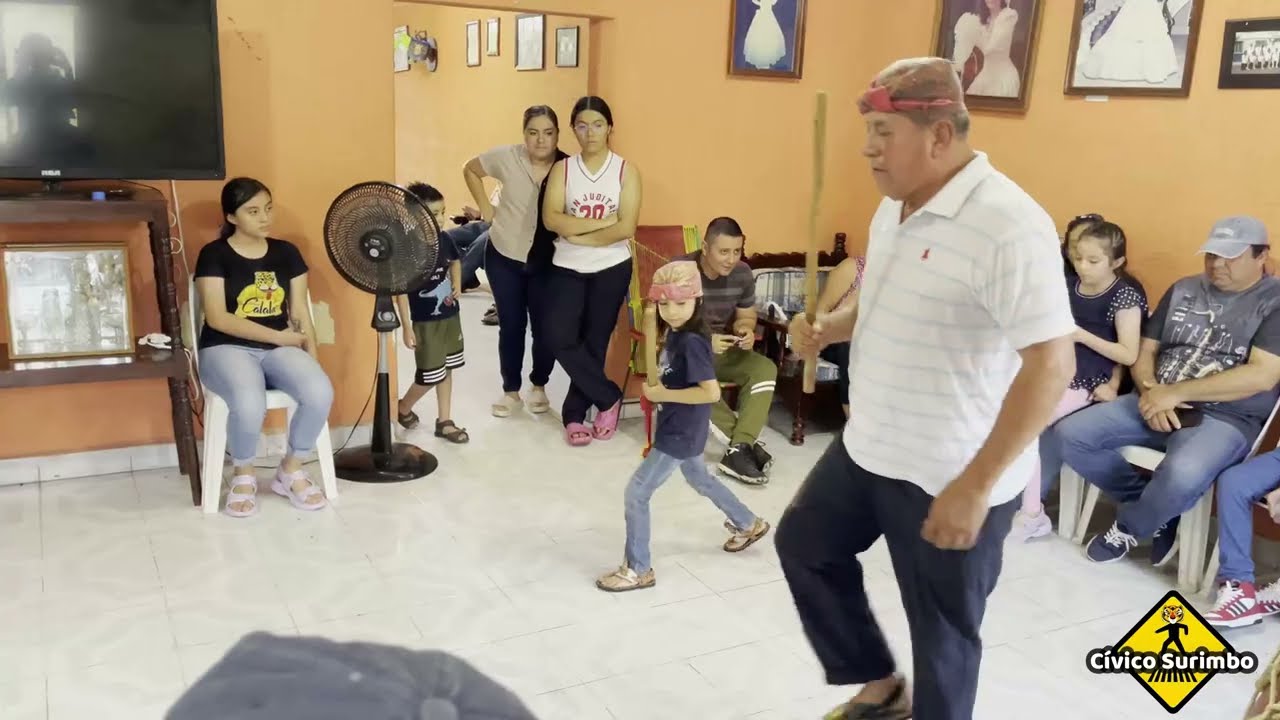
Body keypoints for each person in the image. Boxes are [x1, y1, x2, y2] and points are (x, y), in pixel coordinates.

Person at [778, 58, 1075, 720]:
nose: (868, 147)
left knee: (942, 639)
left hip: (951, 469)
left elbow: (1051, 366)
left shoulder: (1010, 225)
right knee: (805, 545)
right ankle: (880, 690)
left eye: (883, 130)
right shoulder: (895, 206)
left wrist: (975, 485)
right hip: (870, 446)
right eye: (868, 130)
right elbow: (881, 297)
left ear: (940, 135)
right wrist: (829, 329)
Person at [1056, 216, 1280, 567]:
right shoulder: (1184, 288)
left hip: (1225, 416)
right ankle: (1157, 508)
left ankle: (1130, 525)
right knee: (1071, 434)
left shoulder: (1274, 302)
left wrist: (1173, 394)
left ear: (1261, 255)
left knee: (1183, 474)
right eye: (1211, 255)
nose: (1217, 264)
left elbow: (1262, 376)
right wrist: (1151, 391)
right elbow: (1145, 350)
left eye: (1230, 256)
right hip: (1151, 397)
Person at [595, 261, 770, 592]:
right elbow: (654, 370)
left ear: (696, 301)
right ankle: (749, 523)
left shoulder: (692, 342)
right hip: (681, 427)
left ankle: (638, 569)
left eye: (680, 303)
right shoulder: (676, 332)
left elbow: (711, 392)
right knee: (699, 478)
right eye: (664, 304)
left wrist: (663, 392)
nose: (671, 311)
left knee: (637, 492)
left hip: (680, 432)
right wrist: (650, 323)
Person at [194, 178, 334, 517]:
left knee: (319, 391)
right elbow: (217, 318)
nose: (264, 218)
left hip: (279, 347)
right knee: (248, 398)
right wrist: (279, 338)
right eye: (253, 211)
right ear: (231, 217)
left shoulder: (287, 253)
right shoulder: (214, 255)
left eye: (268, 209)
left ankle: (291, 468)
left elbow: (300, 312)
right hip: (225, 347)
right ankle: (243, 472)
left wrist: (312, 358)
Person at [1014, 221, 1147, 541]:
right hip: (1054, 368)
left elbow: (1129, 354)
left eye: (1093, 261)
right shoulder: (1069, 286)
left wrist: (1081, 336)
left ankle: (1032, 514)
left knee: (1027, 427)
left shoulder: (1124, 295)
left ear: (1116, 262)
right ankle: (1011, 502)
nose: (1083, 267)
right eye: (1078, 258)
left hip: (1088, 380)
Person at [542, 96, 641, 446]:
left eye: (597, 124)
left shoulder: (626, 172)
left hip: (611, 266)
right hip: (567, 265)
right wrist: (598, 225)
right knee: (557, 335)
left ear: (610, 127)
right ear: (574, 130)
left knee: (595, 342)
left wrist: (577, 233)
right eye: (582, 126)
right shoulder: (563, 170)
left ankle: (573, 416)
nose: (590, 132)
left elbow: (626, 227)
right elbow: (552, 219)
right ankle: (609, 397)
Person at [464, 106, 565, 418]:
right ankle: (511, 391)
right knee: (511, 325)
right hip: (504, 253)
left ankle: (539, 386)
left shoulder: (567, 167)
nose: (540, 140)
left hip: (547, 260)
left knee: (545, 327)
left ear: (557, 136)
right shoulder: (507, 156)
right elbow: (470, 169)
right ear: (524, 134)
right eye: (533, 132)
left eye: (548, 133)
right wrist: (485, 208)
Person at [682, 219, 776, 483]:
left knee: (764, 367)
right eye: (723, 252)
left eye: (737, 251)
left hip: (722, 349)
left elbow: (746, 317)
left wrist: (745, 330)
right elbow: (666, 325)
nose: (731, 259)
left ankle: (739, 447)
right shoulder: (681, 270)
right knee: (693, 368)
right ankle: (743, 446)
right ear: (705, 247)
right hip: (683, 352)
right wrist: (703, 340)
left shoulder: (743, 273)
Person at [393, 183, 468, 444]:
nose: (439, 218)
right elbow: (400, 290)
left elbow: (455, 260)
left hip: (450, 315)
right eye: (433, 213)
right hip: (425, 321)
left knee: (447, 367)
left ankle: (444, 420)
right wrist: (406, 326)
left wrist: (457, 283)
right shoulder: (406, 249)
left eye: (442, 212)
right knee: (429, 372)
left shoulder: (445, 239)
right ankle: (402, 407)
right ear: (413, 215)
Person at [816, 255, 866, 419]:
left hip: (875, 343)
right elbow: (821, 311)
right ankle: (851, 418)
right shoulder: (853, 268)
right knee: (850, 343)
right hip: (836, 340)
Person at [952, 0, 1022, 98]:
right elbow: (964, 50)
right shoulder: (982, 20)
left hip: (1003, 76)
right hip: (986, 74)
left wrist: (974, 32)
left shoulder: (1008, 16)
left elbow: (992, 46)